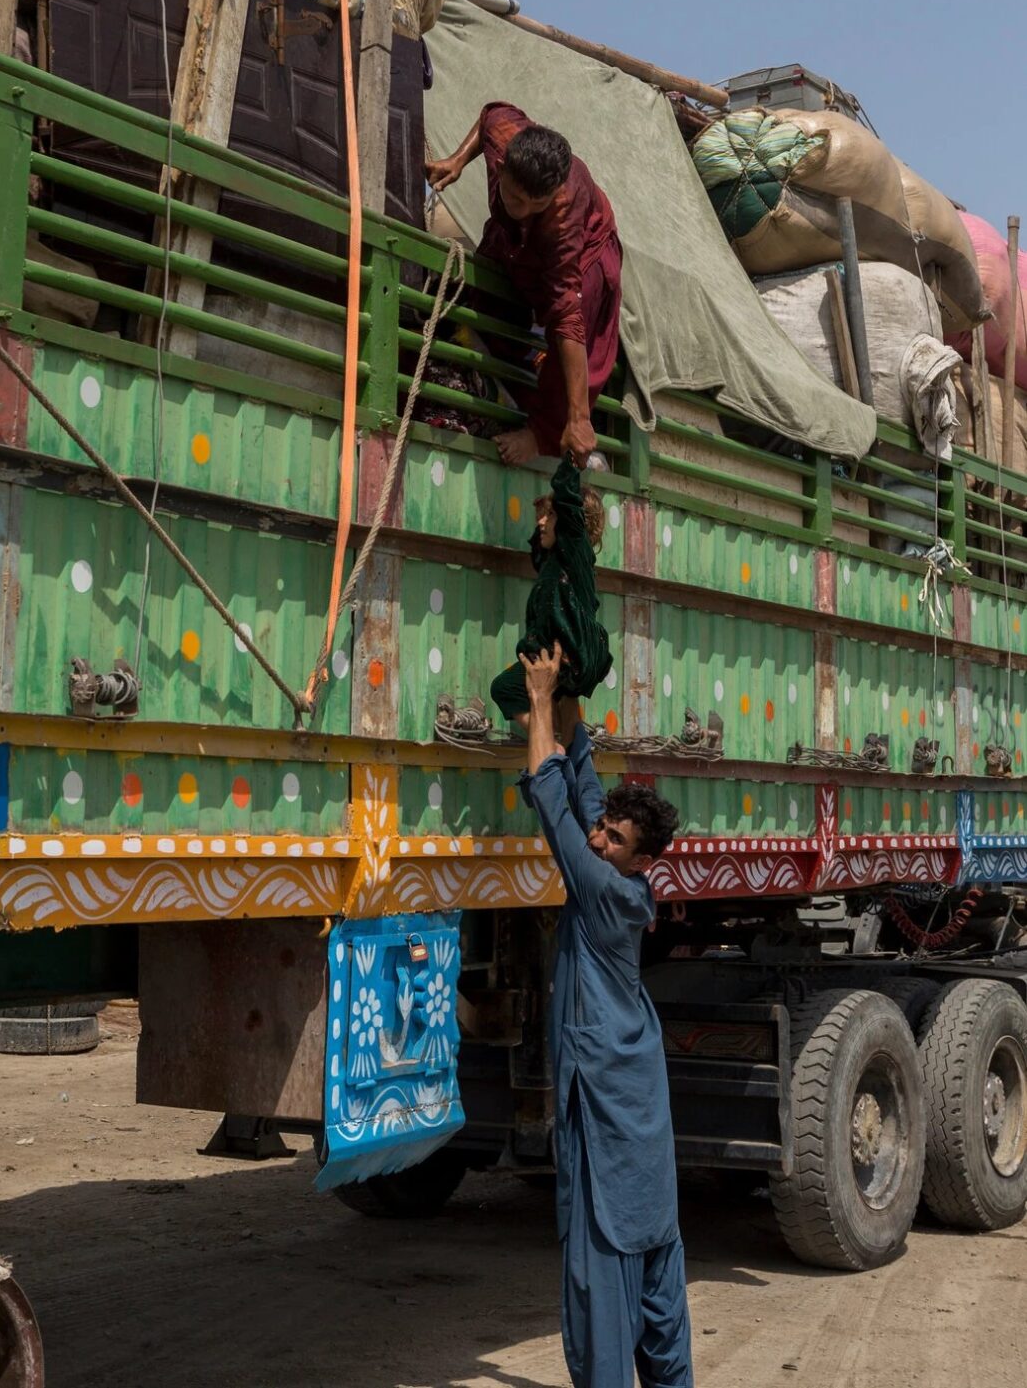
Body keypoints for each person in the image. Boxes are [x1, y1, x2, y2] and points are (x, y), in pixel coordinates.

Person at [520, 643, 692, 1388]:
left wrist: (535, 697)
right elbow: (586, 802)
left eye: (615, 839)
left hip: (610, 1130)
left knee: (600, 1301)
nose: (600, 836)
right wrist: (571, 693)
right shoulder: (619, 870)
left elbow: (552, 802)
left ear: (639, 860)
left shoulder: (604, 892)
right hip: (640, 1117)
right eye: (607, 828)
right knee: (661, 1302)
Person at [425, 103, 622, 466]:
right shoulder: (503, 133)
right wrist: (456, 160)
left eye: (537, 204)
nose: (525, 210)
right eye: (515, 197)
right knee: (482, 296)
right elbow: (489, 114)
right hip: (510, 240)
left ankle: (541, 433)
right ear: (500, 167)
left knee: (578, 323)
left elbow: (567, 317)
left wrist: (579, 418)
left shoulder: (561, 221)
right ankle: (508, 388)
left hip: (587, 252)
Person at [489, 455, 610, 729]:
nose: (542, 522)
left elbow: (568, 501)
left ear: (571, 520)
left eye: (551, 515)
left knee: (504, 688)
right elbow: (539, 550)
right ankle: (571, 754)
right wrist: (544, 514)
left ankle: (548, 747)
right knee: (564, 708)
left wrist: (573, 458)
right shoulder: (560, 562)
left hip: (564, 655)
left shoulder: (574, 550)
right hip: (571, 655)